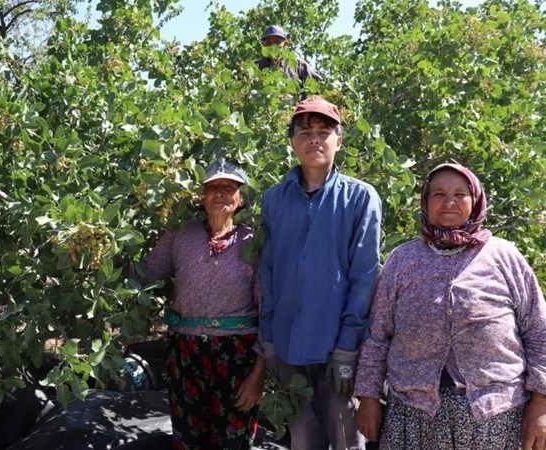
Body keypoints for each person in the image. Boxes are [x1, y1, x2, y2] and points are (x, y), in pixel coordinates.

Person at [354, 163, 546, 449]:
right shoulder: (402, 260)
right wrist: (368, 398)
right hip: (413, 415)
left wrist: (541, 405)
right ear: (425, 202)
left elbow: (539, 332)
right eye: (438, 194)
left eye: (460, 194)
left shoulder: (505, 257)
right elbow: (377, 335)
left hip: (495, 416)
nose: (449, 202)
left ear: (476, 201)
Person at [260, 96, 382, 449]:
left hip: (336, 350)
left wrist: (348, 349)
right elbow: (267, 272)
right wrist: (268, 339)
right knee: (302, 440)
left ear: (338, 141)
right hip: (287, 346)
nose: (314, 139)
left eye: (323, 131)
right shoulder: (273, 199)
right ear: (292, 142)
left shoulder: (360, 198)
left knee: (346, 440)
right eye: (305, 132)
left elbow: (364, 275)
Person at [130, 158, 265, 449]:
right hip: (186, 353)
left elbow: (269, 313)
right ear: (201, 197)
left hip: (238, 357)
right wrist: (97, 258)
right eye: (212, 187)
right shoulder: (181, 235)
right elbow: (143, 275)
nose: (220, 193)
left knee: (232, 440)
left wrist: (258, 375)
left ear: (241, 199)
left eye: (229, 188)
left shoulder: (254, 243)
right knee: (188, 438)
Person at [255, 25, 321, 83]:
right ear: (263, 45)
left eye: (277, 42)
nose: (273, 46)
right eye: (269, 43)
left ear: (285, 44)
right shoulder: (256, 67)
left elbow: (319, 87)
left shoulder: (300, 65)